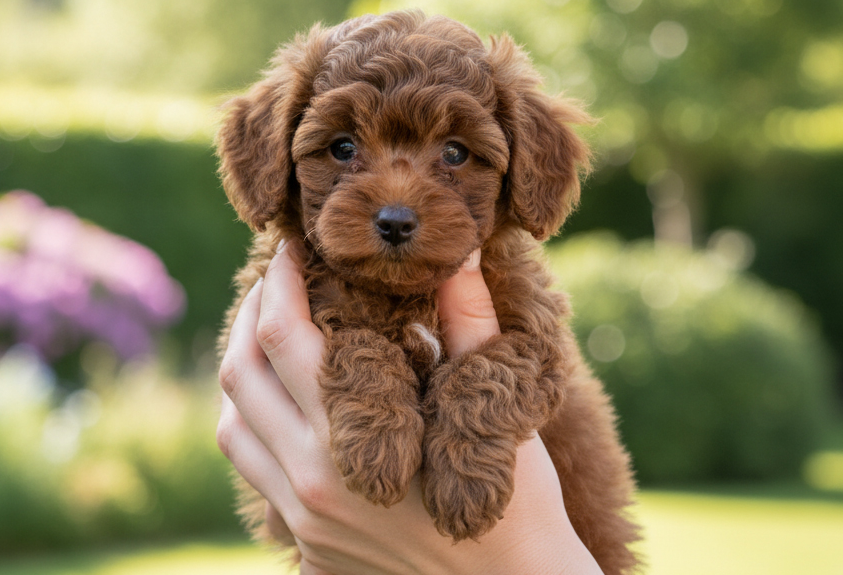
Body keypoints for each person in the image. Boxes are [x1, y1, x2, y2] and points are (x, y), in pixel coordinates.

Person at [216, 239, 603, 574]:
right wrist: (367, 380)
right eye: (343, 161)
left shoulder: (507, 277)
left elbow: (539, 356)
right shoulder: (295, 286)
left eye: (453, 170)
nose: (397, 207)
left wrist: (473, 427)